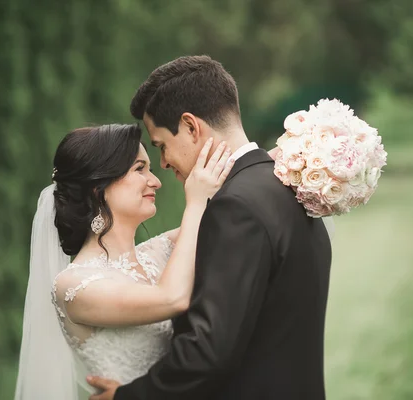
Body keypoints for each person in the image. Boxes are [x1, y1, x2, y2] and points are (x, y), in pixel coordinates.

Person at [87, 55, 333, 400]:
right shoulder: (287, 185)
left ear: (190, 127)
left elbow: (210, 351)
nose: (163, 163)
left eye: (161, 145)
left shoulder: (234, 208)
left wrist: (128, 396)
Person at [14, 123, 235, 400]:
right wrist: (195, 202)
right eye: (140, 169)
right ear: (98, 187)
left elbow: (233, 207)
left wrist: (299, 151)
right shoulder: (75, 286)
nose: (156, 181)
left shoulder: (158, 252)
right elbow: (171, 299)